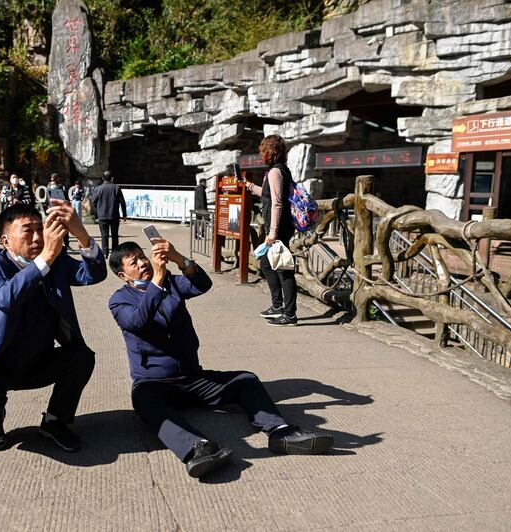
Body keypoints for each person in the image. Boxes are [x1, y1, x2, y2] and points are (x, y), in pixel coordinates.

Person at [107, 240, 333, 478]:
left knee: (246, 380)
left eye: (143, 256)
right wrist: (157, 281)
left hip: (193, 378)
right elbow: (138, 321)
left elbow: (202, 284)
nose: (143, 262)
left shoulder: (170, 283)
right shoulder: (119, 301)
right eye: (135, 262)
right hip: (154, 383)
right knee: (143, 400)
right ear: (124, 275)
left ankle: (280, 432)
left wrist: (178, 258)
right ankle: (197, 449)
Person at [0, 200, 107, 452]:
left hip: (38, 360)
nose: (38, 237)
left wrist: (80, 232)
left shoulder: (54, 262)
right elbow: (6, 297)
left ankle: (54, 421)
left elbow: (94, 274)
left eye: (41, 228)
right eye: (27, 230)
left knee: (82, 357)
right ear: (6, 240)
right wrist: (46, 258)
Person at [244, 135, 298, 326]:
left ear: (271, 151)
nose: (261, 154)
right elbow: (268, 195)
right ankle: (278, 306)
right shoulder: (278, 170)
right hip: (279, 226)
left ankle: (289, 314)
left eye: (263, 150)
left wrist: (273, 232)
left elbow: (277, 203)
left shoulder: (275, 172)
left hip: (279, 228)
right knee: (267, 264)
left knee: (283, 269)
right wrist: (249, 186)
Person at [90, 170, 127, 256]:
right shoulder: (116, 188)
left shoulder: (98, 189)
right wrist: (124, 215)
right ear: (112, 178)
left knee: (104, 235)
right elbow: (122, 202)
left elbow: (93, 203)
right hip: (114, 215)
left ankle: (105, 252)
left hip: (102, 216)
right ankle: (115, 252)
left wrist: (98, 211)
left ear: (103, 178)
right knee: (115, 235)